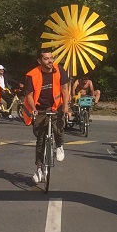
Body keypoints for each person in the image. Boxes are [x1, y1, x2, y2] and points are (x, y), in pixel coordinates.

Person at [23, 47, 71, 184]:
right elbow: (29, 95)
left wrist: (66, 108)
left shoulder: (59, 70)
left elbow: (65, 90)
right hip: (39, 108)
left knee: (58, 127)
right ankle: (39, 168)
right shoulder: (32, 75)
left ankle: (59, 146)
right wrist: (33, 109)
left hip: (56, 106)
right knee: (41, 139)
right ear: (39, 60)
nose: (50, 61)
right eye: (46, 58)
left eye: (51, 58)